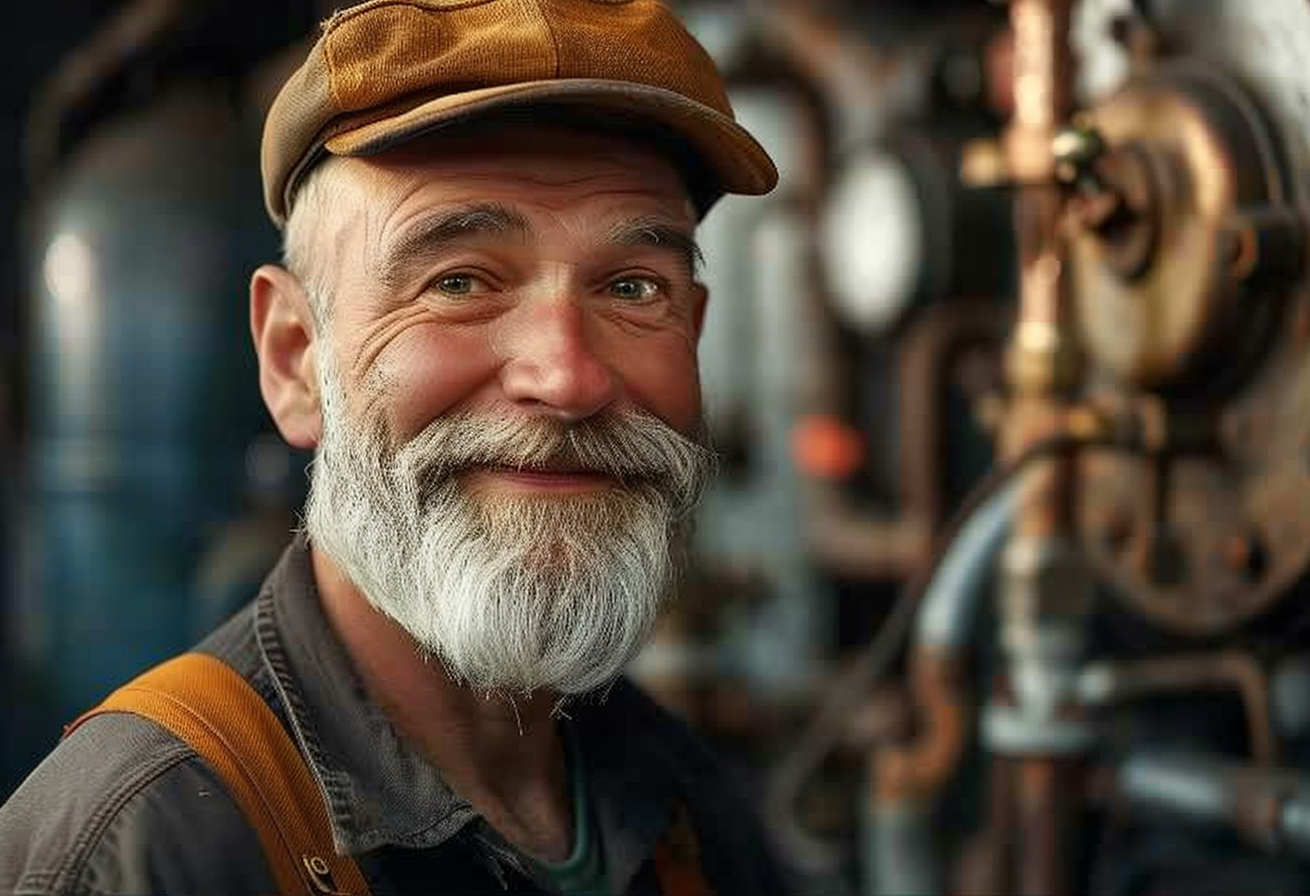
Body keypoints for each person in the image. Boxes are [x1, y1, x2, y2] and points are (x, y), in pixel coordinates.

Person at [0, 0, 785, 893]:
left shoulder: (692, 810)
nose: (568, 379)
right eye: (457, 281)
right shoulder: (138, 852)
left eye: (635, 287)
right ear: (296, 360)